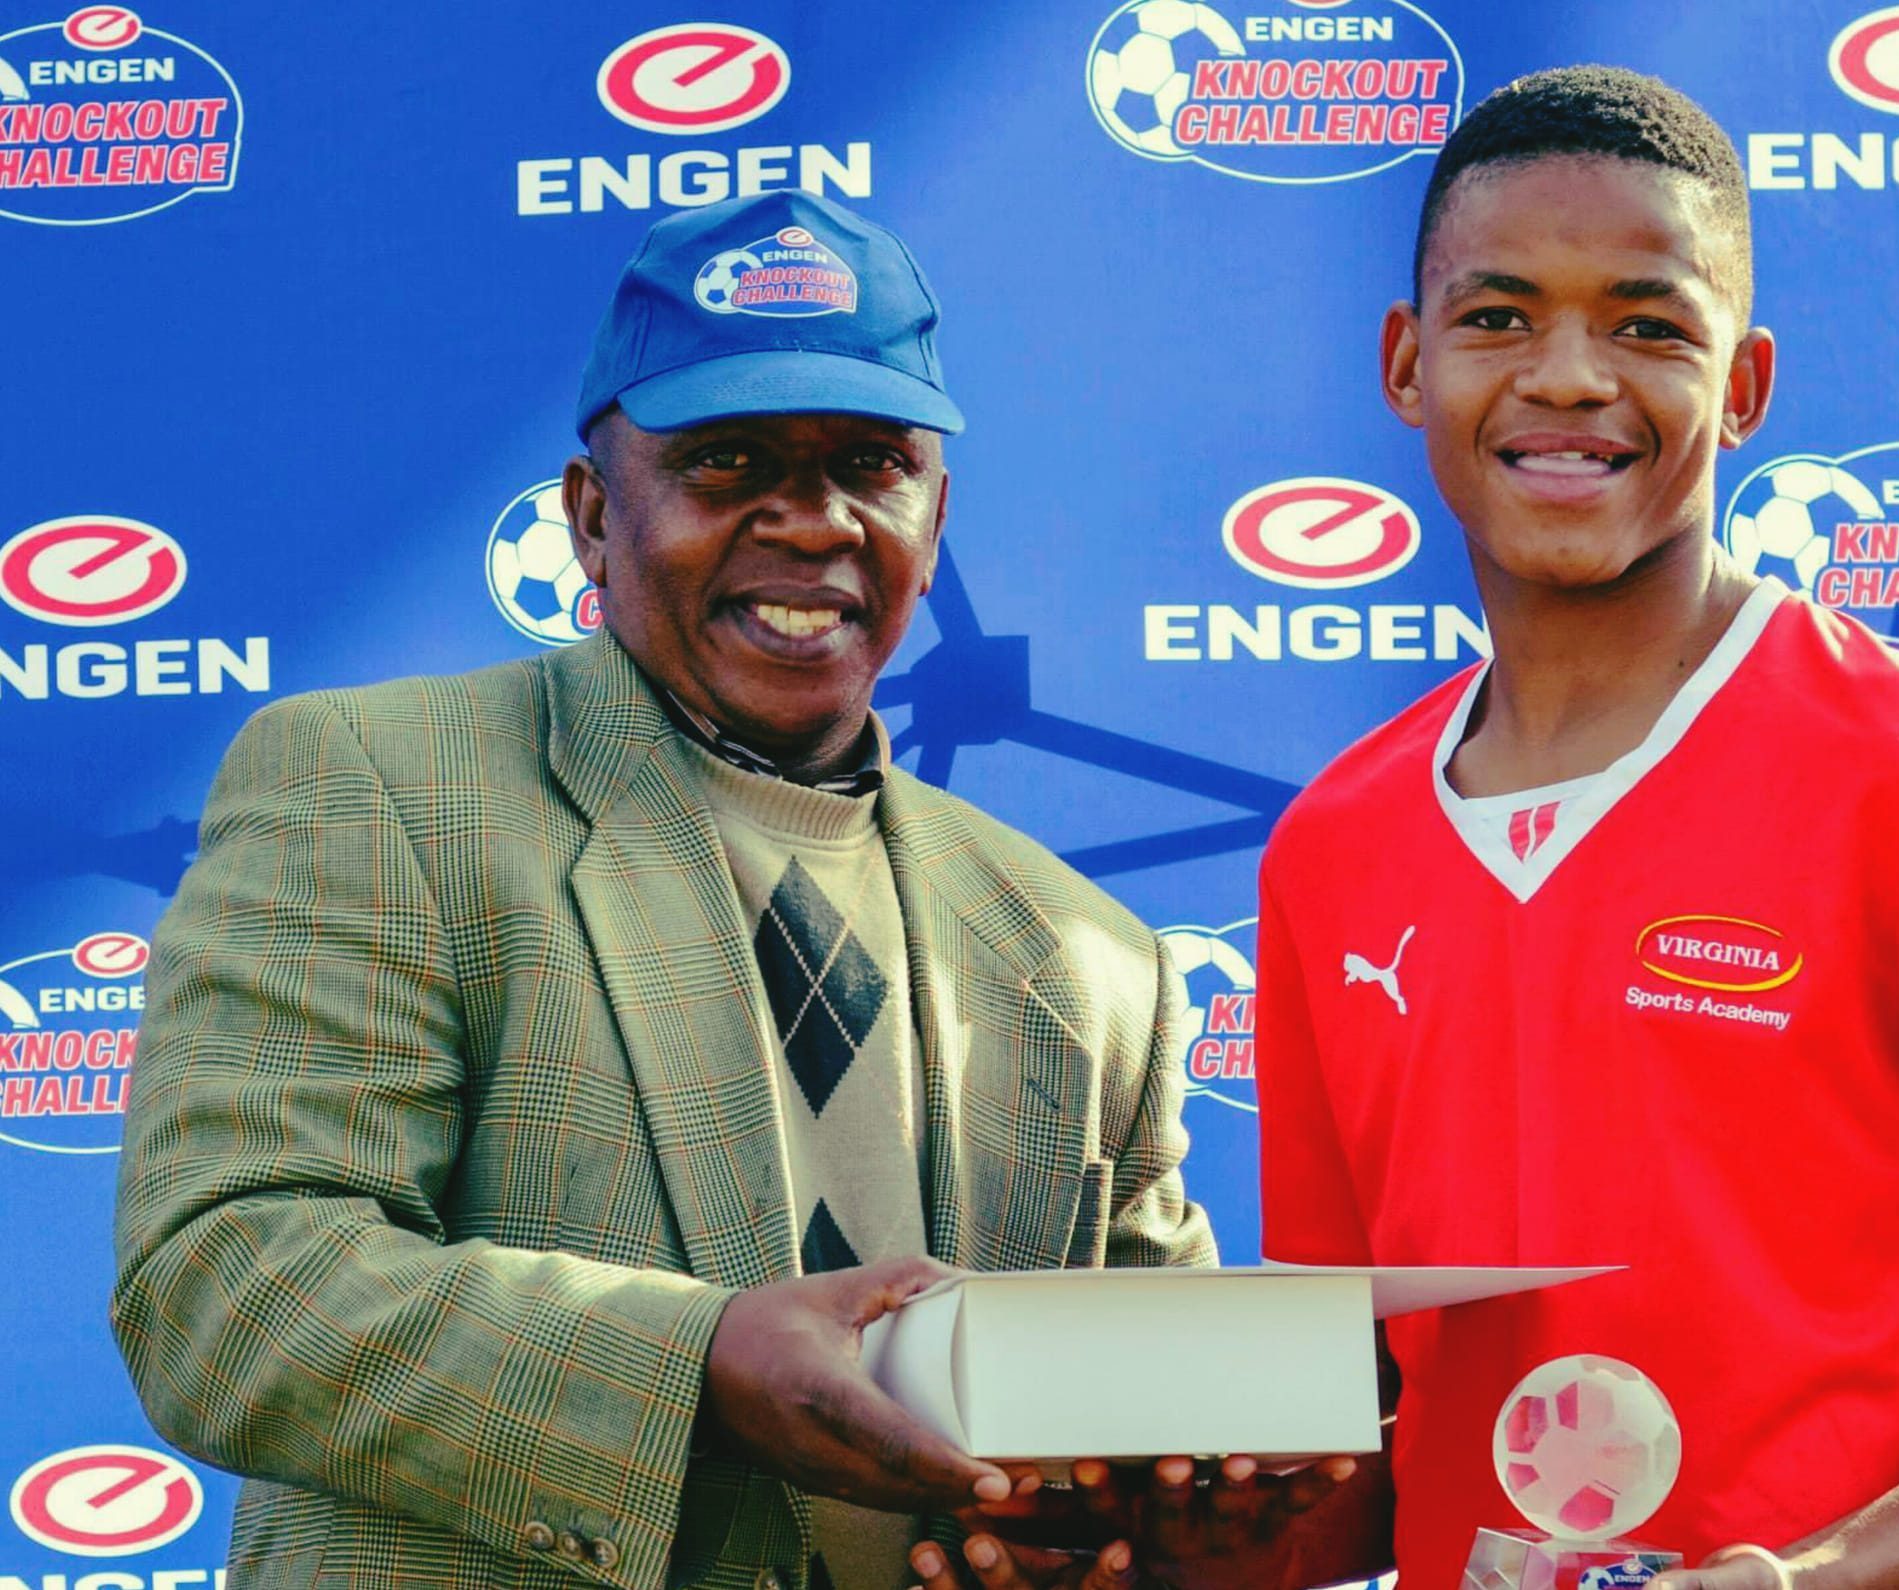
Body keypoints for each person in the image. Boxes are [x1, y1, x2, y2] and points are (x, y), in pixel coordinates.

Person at [109, 189, 1219, 1590]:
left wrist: (1133, 1513)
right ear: (591, 514)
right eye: (728, 459)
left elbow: (1149, 1419)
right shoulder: (377, 785)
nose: (812, 522)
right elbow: (231, 1287)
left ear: (934, 523)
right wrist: (697, 1365)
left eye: (871, 464)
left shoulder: (1087, 950)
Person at [1255, 67, 1899, 1590]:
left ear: (1743, 386)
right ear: (1406, 363)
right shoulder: (1332, 846)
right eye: (1499, 318)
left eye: (1645, 324)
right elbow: (1352, 1421)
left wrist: (1803, 1581)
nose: (1565, 376)